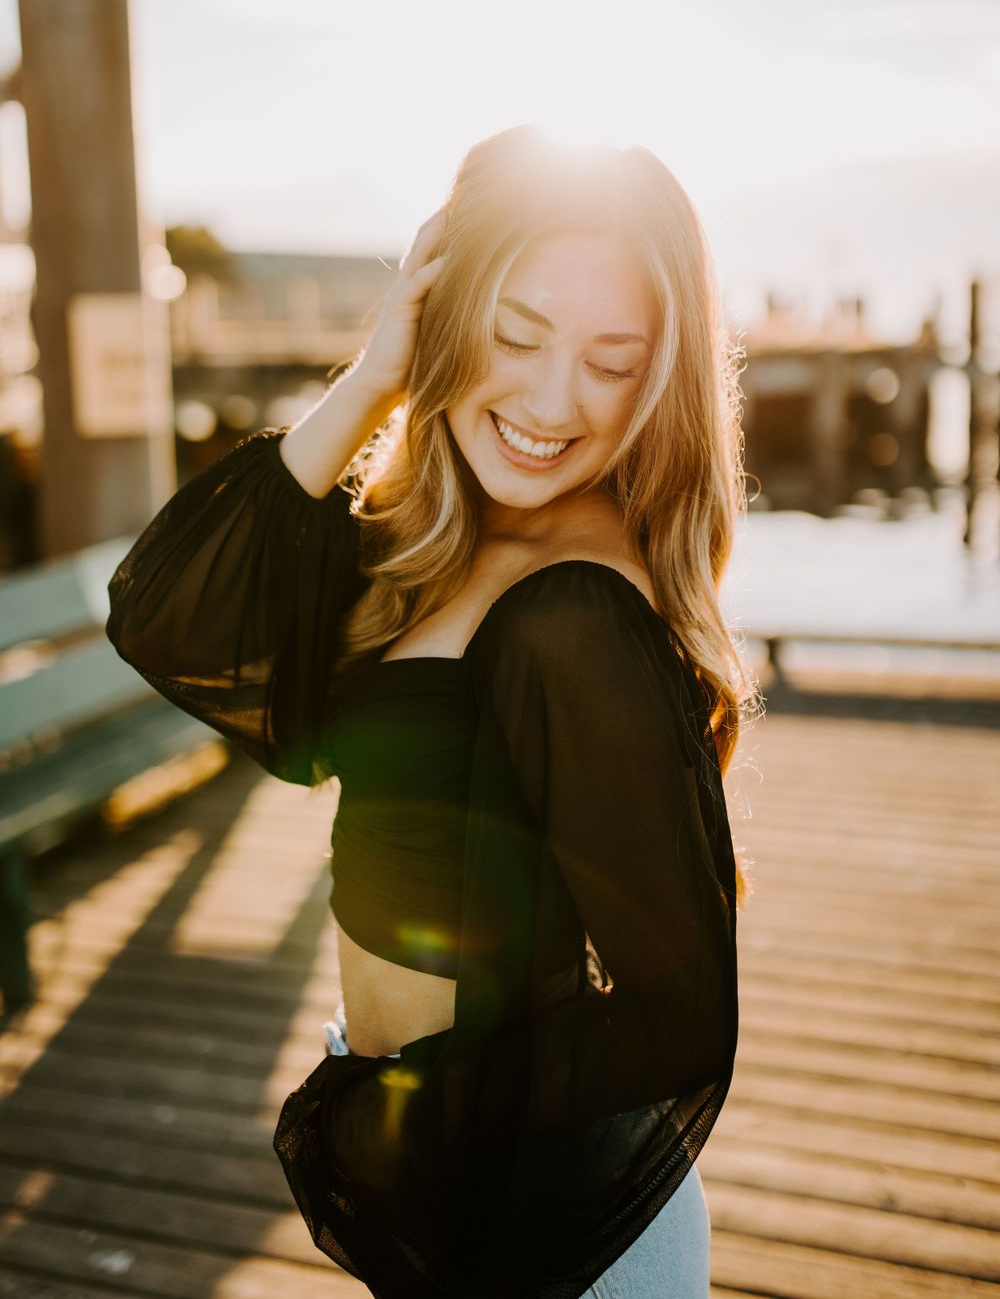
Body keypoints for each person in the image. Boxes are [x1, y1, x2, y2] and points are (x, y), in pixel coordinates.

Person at [106, 124, 757, 1298]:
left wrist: (406, 1113)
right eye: (514, 334)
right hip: (463, 1159)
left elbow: (680, 1019)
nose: (552, 402)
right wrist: (373, 379)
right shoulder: (441, 546)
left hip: (551, 1213)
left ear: (660, 379)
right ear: (445, 312)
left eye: (612, 363)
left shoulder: (575, 609)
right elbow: (168, 623)